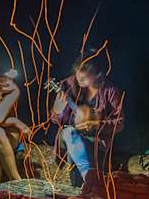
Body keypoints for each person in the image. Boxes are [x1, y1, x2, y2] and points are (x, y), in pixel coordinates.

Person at [50, 49, 126, 184]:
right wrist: (58, 109)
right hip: (70, 137)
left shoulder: (111, 91)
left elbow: (119, 123)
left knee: (79, 153)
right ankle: (90, 180)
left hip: (97, 142)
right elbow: (55, 119)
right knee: (69, 132)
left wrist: (97, 124)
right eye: (78, 71)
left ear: (98, 74)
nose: (79, 75)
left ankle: (81, 189)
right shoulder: (69, 85)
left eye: (85, 74)